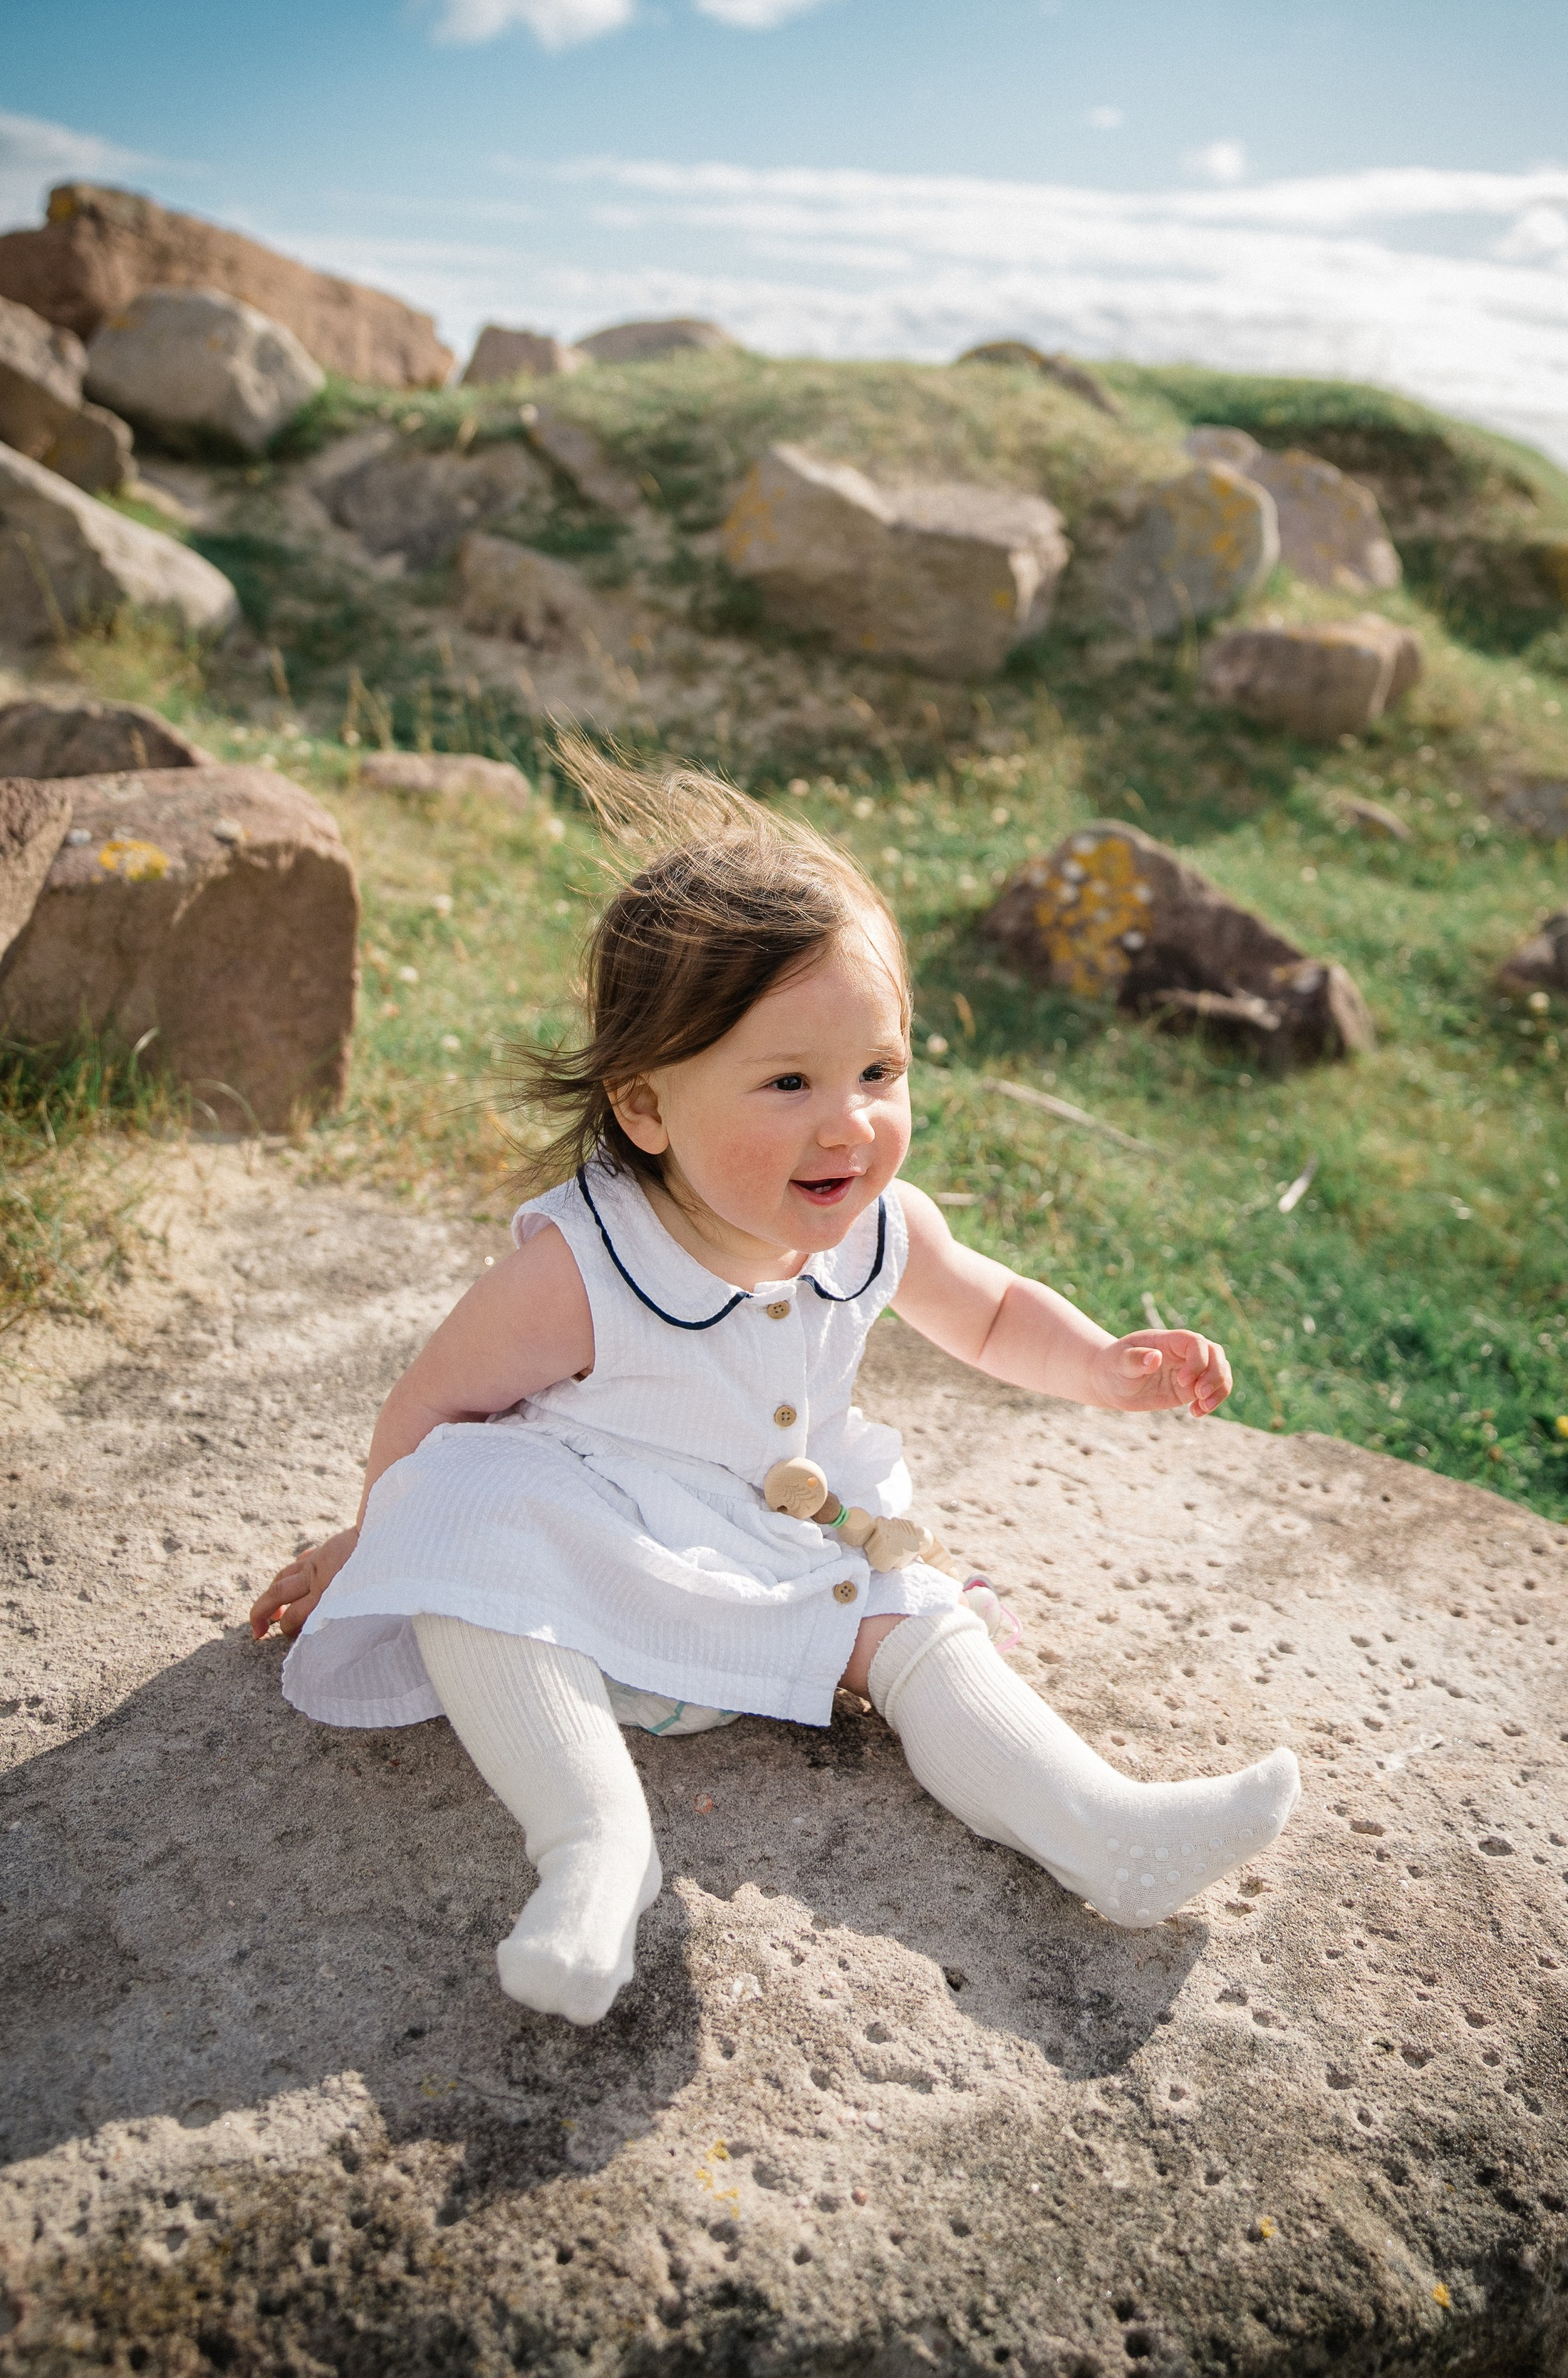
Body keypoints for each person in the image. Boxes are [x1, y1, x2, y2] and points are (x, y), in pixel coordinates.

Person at [251, 755, 1299, 2027]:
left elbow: (994, 1307)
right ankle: (595, 1854)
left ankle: (1101, 1829)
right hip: (588, 1556)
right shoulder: (583, 1266)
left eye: (879, 1073)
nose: (849, 1124)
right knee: (469, 1535)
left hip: (786, 1550)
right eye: (789, 1083)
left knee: (919, 1622)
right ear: (645, 1106)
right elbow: (430, 1409)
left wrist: (1101, 1365)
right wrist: (382, 1539)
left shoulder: (877, 1222)